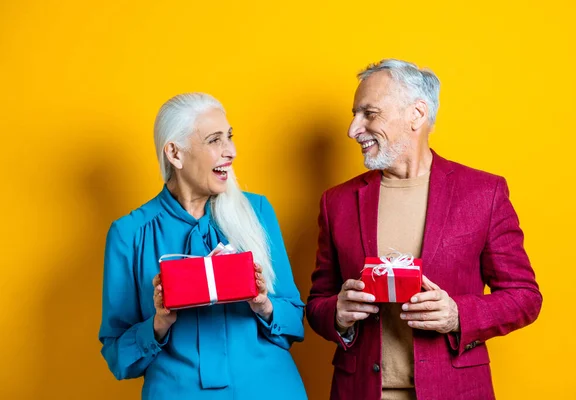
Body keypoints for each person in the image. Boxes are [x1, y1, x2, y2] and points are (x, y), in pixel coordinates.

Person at [306, 59, 542, 400]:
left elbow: (525, 297)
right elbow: (318, 303)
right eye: (354, 114)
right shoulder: (336, 202)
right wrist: (338, 314)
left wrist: (458, 315)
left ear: (416, 114)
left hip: (454, 390)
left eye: (369, 113)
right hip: (359, 391)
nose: (353, 129)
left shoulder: (483, 193)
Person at [99, 93, 307, 399]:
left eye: (230, 137)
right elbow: (118, 357)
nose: (231, 151)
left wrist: (264, 304)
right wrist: (158, 323)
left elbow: (294, 320)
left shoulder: (258, 211)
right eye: (214, 140)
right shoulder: (129, 234)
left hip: (270, 388)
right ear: (175, 153)